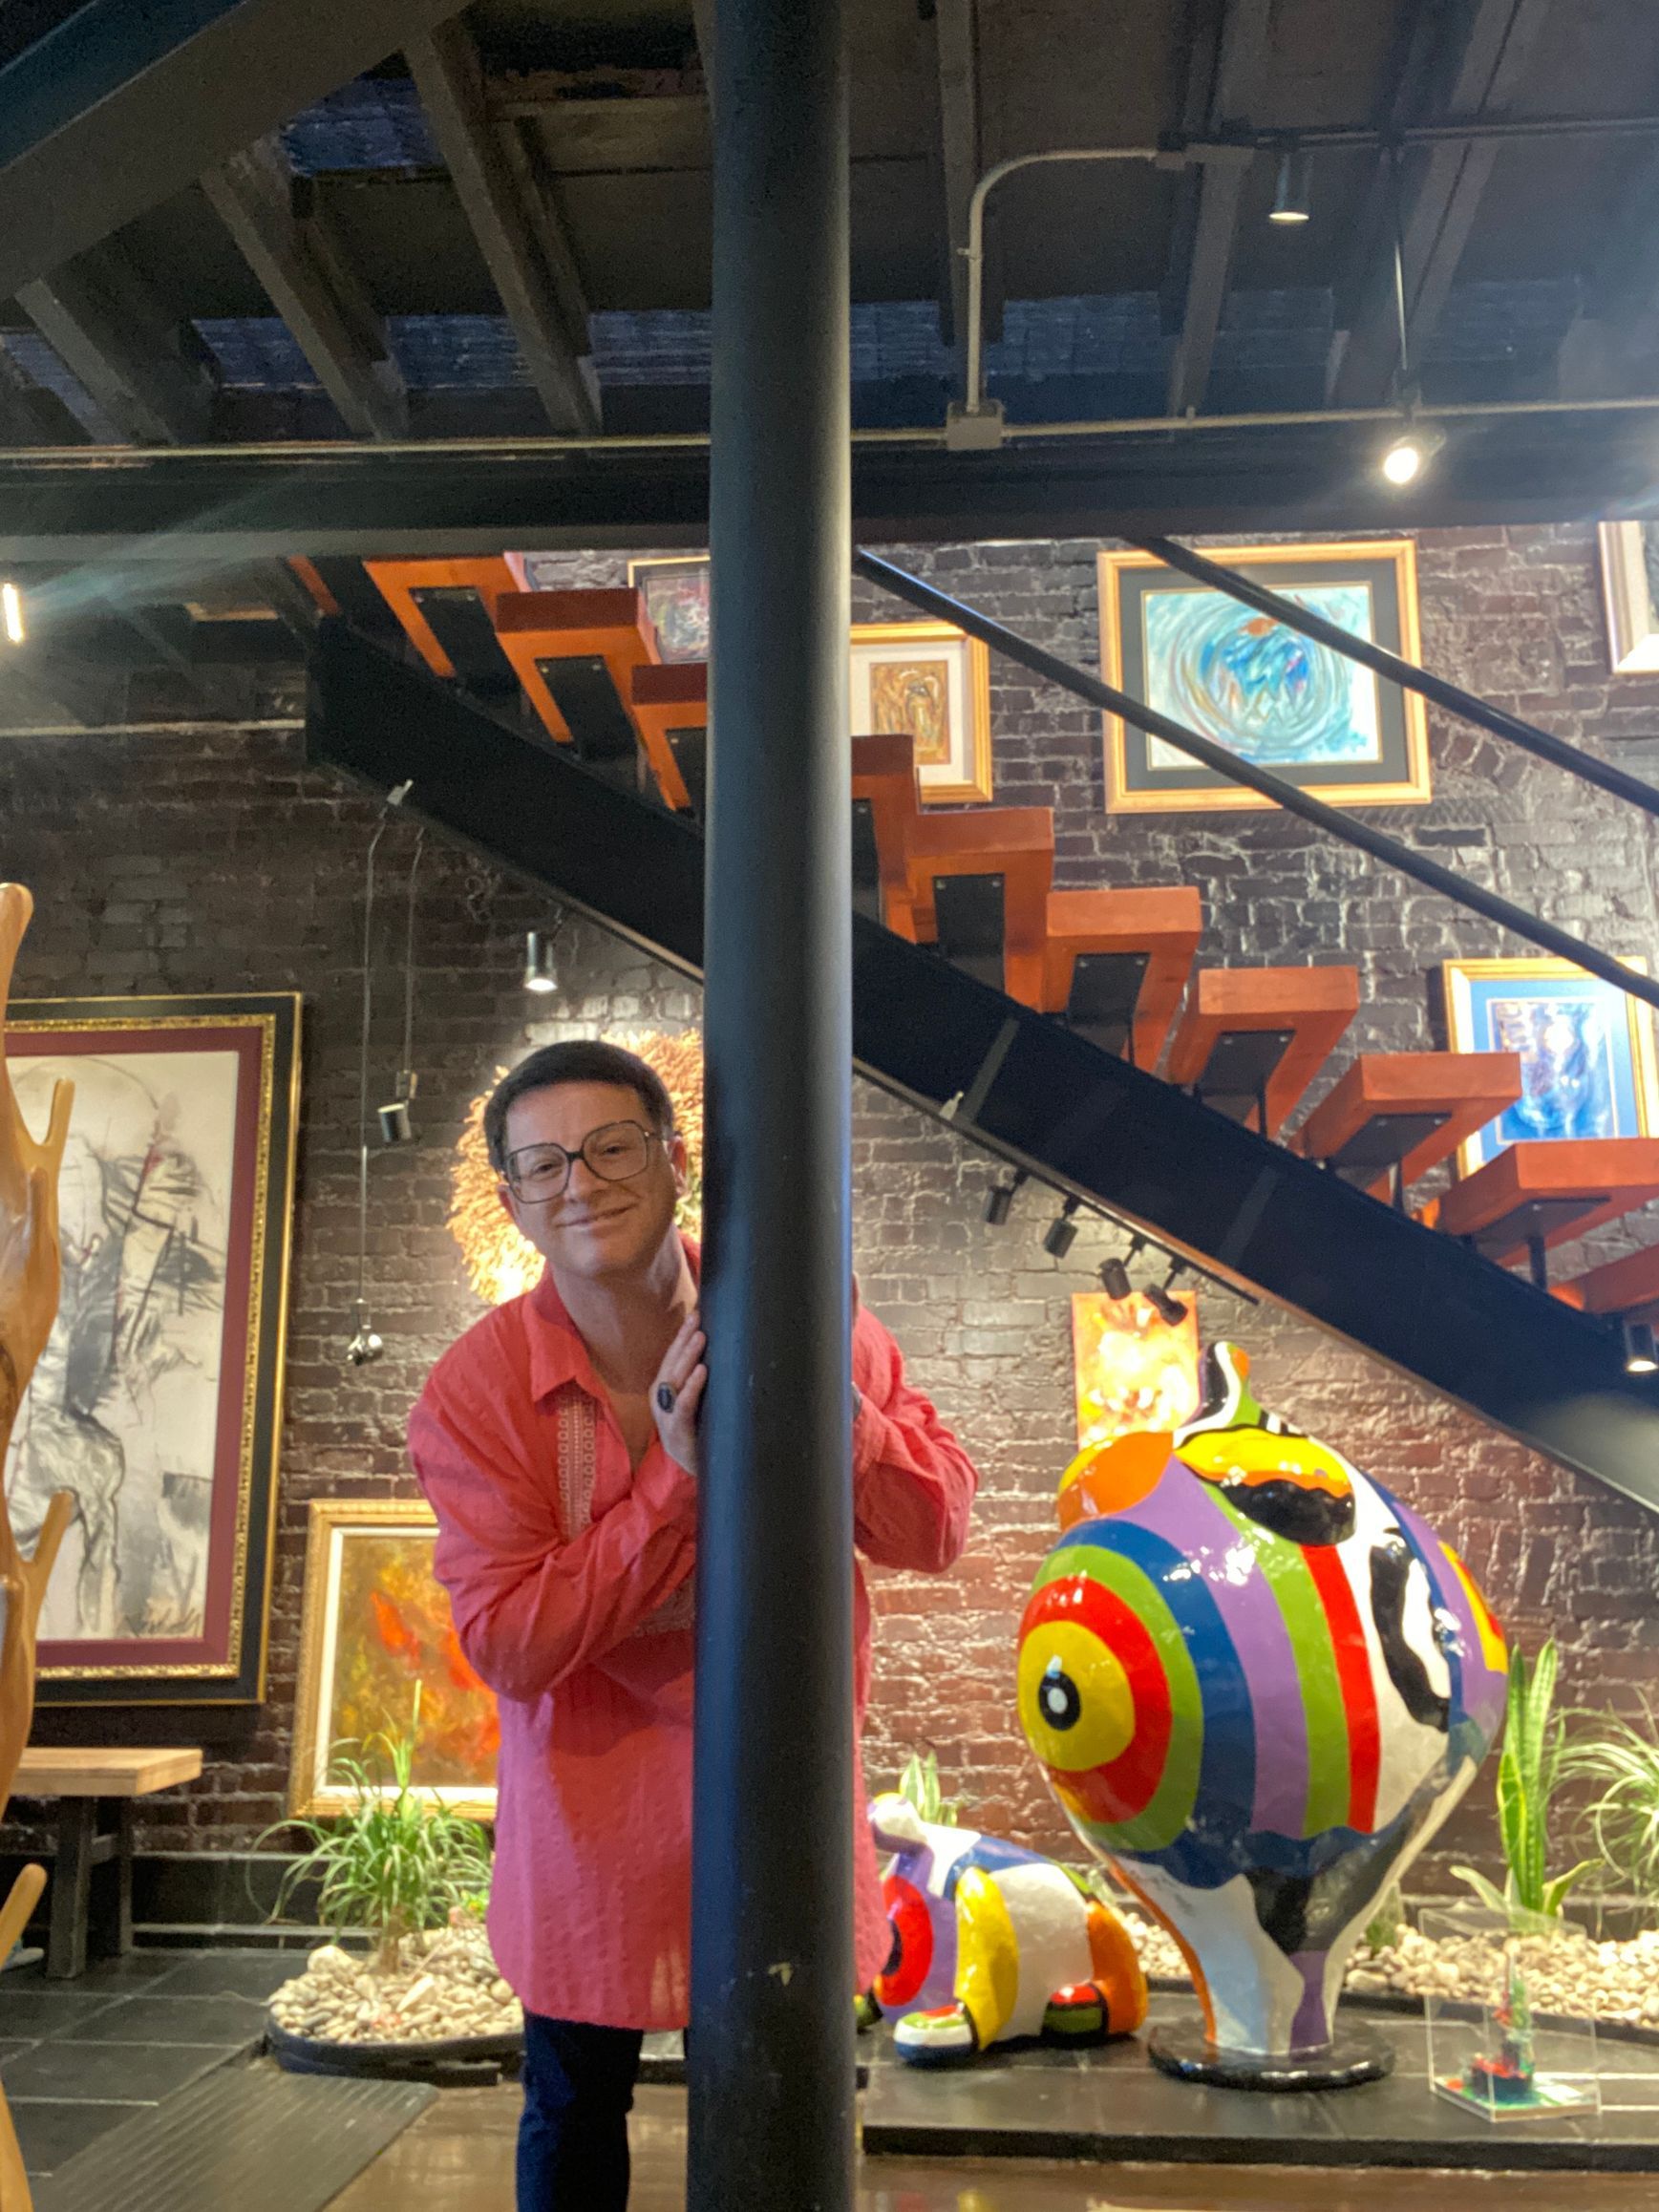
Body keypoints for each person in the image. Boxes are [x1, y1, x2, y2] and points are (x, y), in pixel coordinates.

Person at [408, 1039, 977, 2210]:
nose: (582, 1185)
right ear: (511, 1202)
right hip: (592, 1824)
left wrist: (833, 1406)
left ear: (676, 1160)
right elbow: (511, 1643)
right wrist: (673, 1480)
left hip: (780, 1802)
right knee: (574, 2109)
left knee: (784, 2103)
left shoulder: (809, 1317)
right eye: (545, 1165)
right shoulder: (476, 1389)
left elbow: (936, 1530)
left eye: (612, 1148)